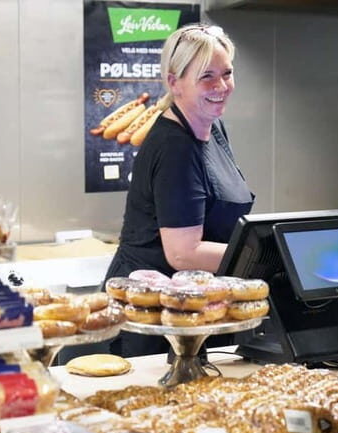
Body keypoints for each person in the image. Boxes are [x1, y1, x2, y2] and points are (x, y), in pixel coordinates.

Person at [103, 23, 254, 357]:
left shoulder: (211, 127)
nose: (222, 86)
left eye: (227, 73)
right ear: (174, 82)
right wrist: (262, 256)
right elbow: (183, 253)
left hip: (194, 309)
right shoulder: (174, 146)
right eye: (207, 77)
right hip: (154, 318)